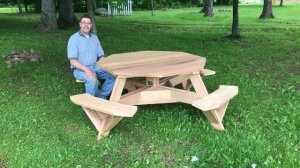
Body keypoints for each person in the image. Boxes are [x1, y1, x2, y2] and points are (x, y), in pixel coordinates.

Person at [67, 14, 115, 99]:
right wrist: (86, 70)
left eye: (88, 23)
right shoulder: (74, 39)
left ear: (91, 25)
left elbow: (101, 56)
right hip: (79, 69)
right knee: (92, 79)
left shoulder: (94, 38)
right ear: (80, 24)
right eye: (84, 22)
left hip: (95, 66)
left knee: (113, 75)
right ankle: (90, 102)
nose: (86, 25)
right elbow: (73, 61)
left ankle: (101, 97)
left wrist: (106, 67)